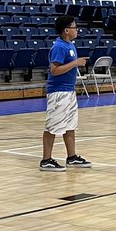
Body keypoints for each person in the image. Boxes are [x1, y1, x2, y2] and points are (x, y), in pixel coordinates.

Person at [40, 15, 92, 171]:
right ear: (66, 30)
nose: (77, 30)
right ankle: (46, 160)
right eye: (75, 27)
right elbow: (54, 70)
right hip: (58, 92)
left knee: (70, 125)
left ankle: (72, 157)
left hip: (69, 91)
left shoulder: (70, 45)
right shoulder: (59, 47)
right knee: (53, 125)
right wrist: (75, 63)